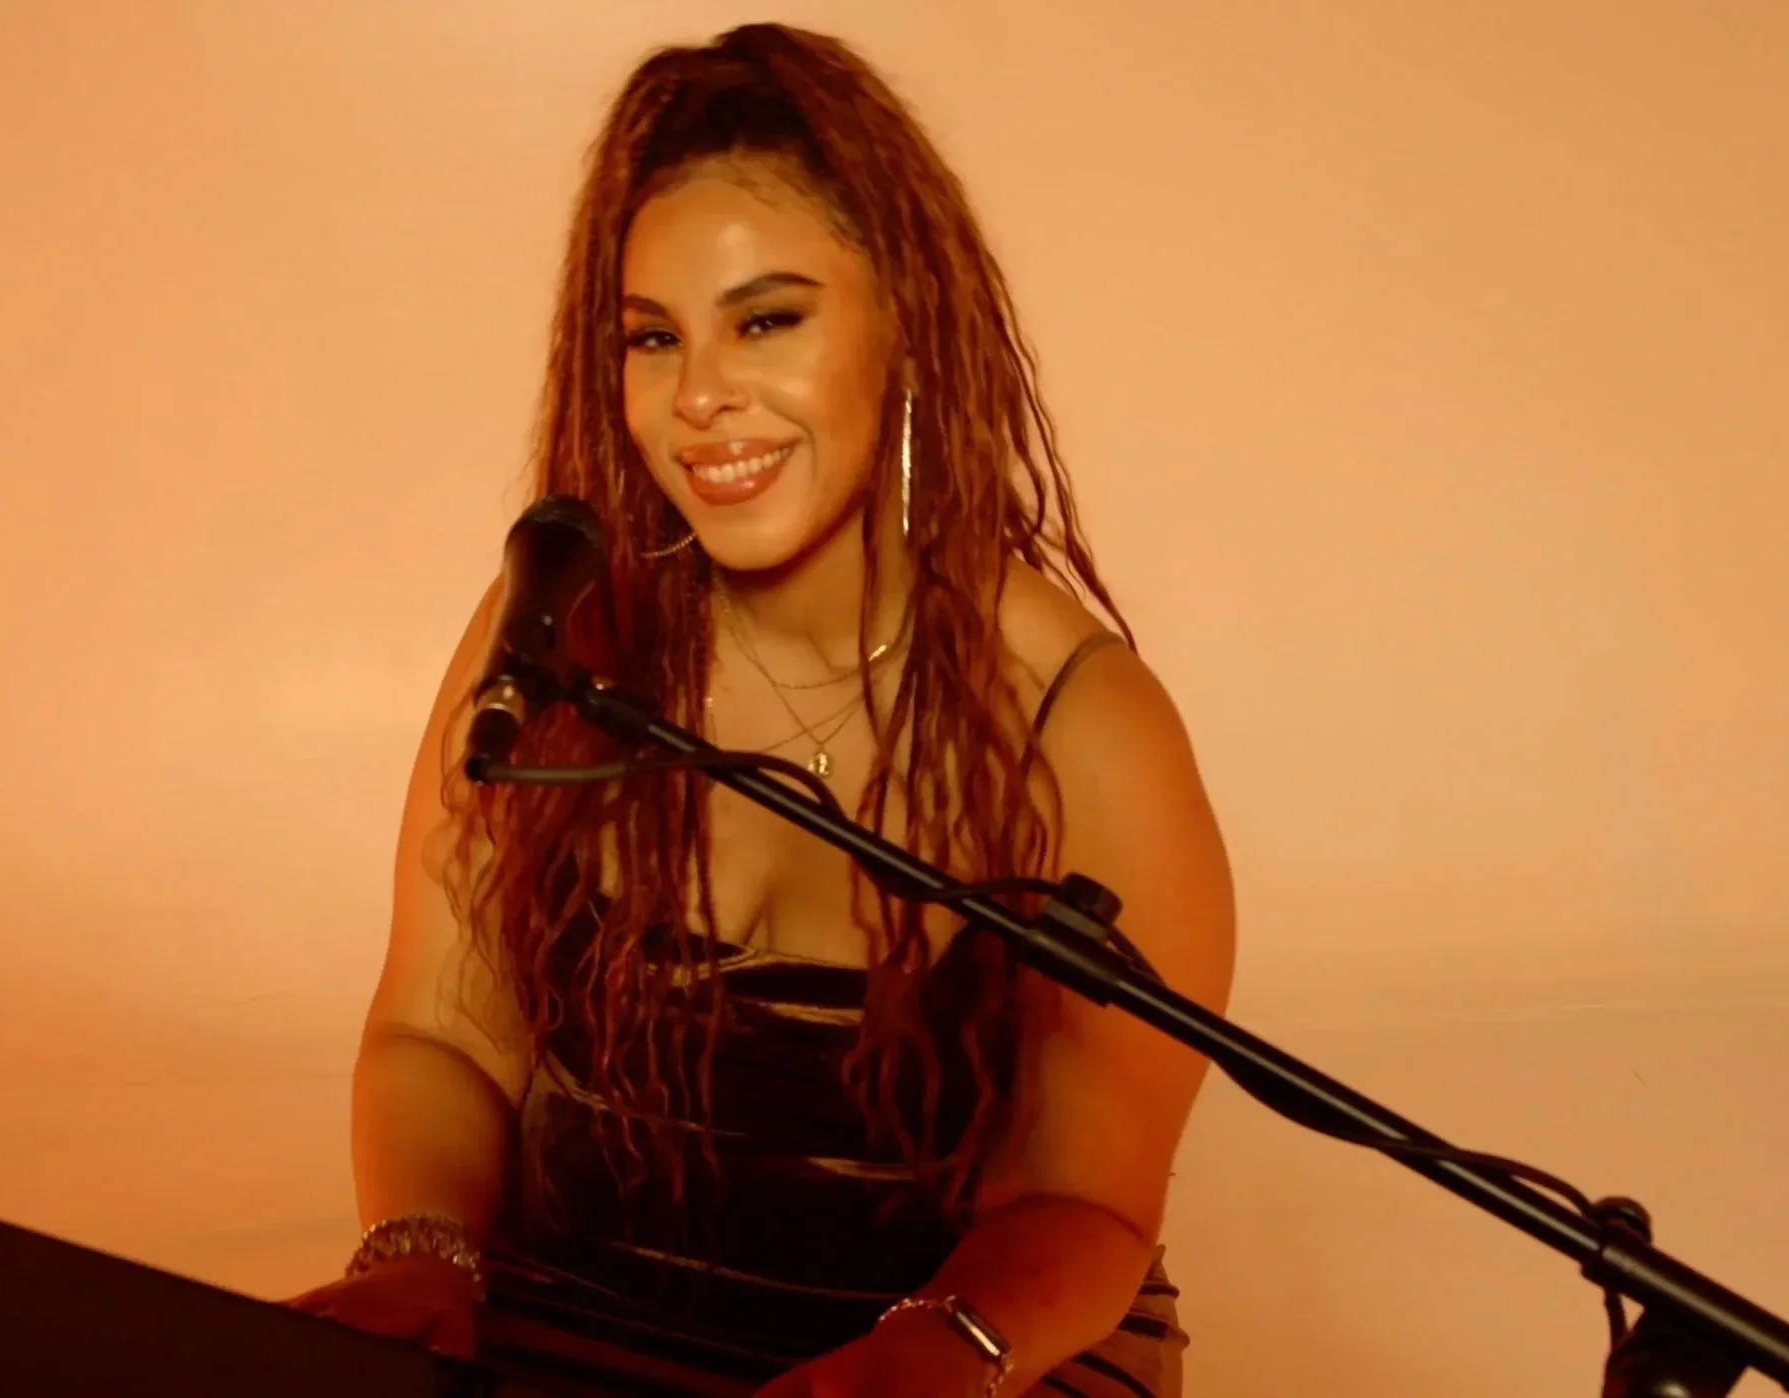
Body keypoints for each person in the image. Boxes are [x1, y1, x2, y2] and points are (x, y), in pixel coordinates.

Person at [290, 22, 1236, 1398]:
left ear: (901, 320)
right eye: (654, 338)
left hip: (977, 1340)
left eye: (767, 321)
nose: (699, 397)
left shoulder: (1080, 724)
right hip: (594, 1299)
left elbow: (1086, 1196)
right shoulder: (561, 636)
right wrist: (420, 1252)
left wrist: (929, 1353)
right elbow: (442, 1033)